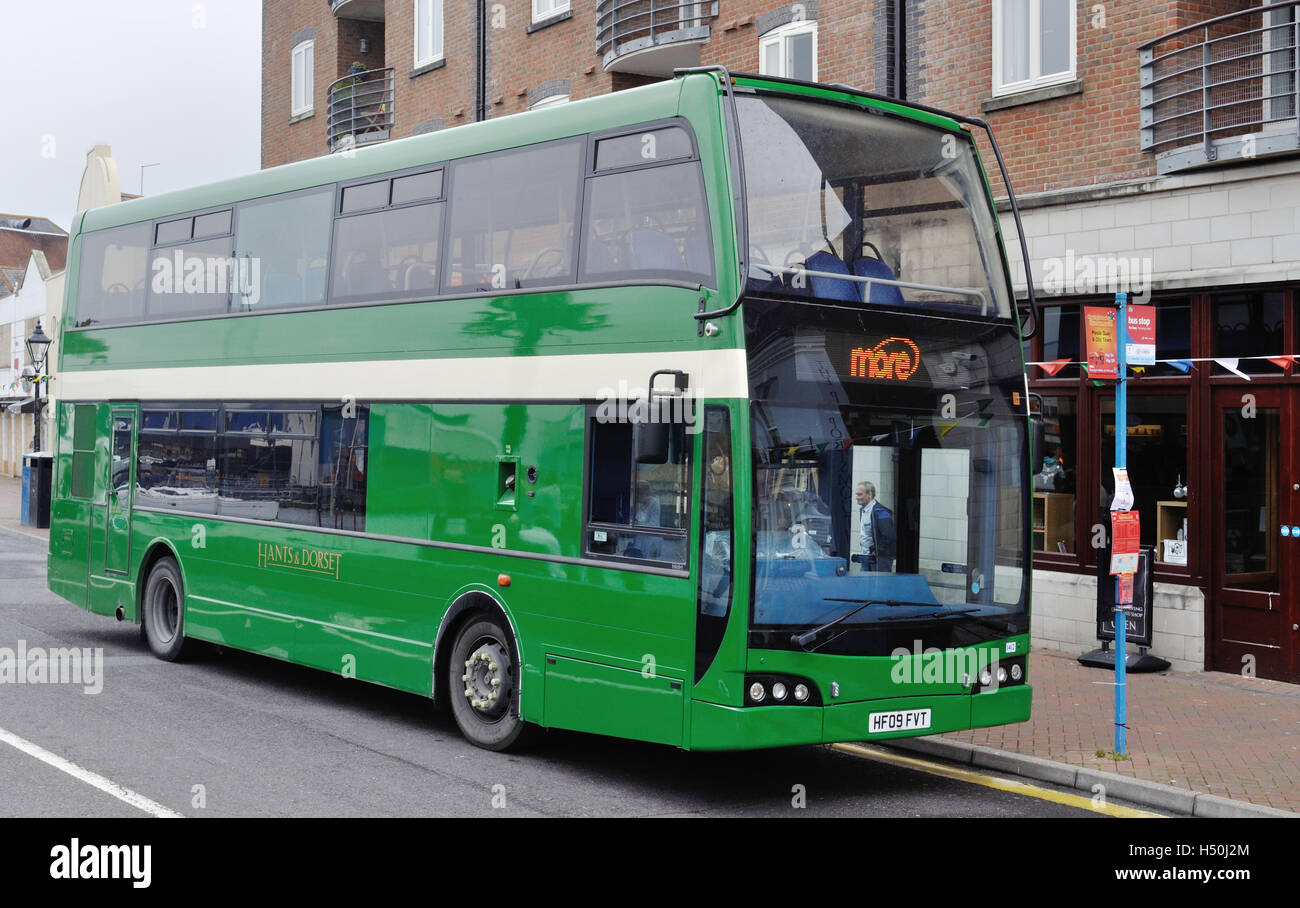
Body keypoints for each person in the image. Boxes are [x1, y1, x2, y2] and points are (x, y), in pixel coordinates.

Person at [852, 481, 896, 572]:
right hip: (866, 557)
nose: (856, 497)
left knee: (879, 584)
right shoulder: (863, 510)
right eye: (856, 494)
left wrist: (876, 550)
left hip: (880, 559)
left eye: (860, 494)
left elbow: (889, 535)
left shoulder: (880, 511)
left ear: (870, 494)